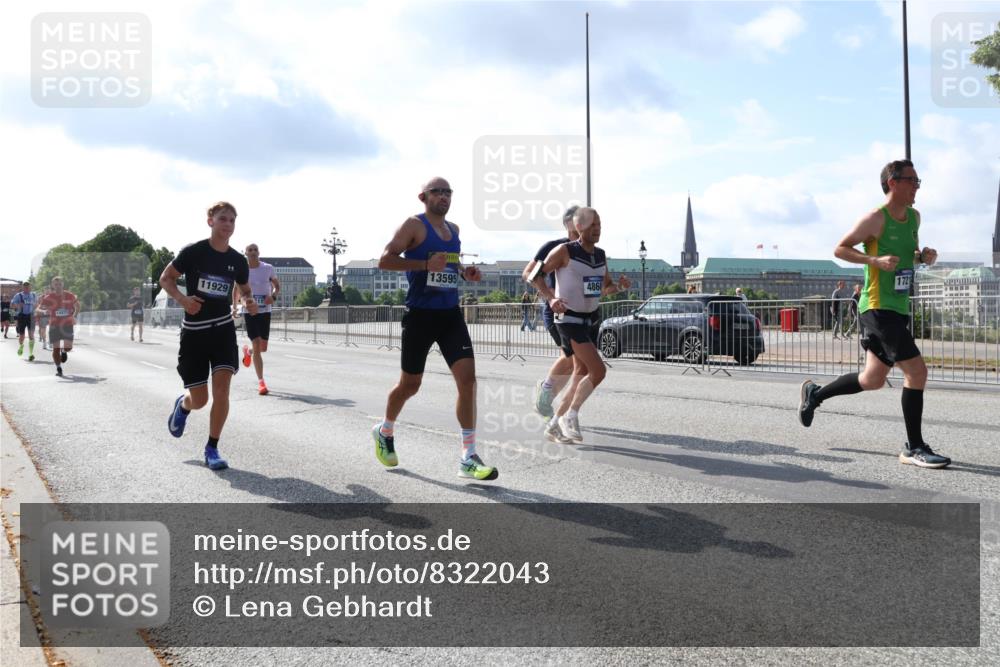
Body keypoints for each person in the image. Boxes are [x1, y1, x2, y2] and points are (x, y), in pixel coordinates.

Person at [798, 159, 949, 469]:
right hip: (878, 307)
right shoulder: (874, 219)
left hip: (898, 306)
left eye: (918, 182)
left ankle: (815, 394)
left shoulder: (914, 218)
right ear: (893, 182)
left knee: (872, 379)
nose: (917, 187)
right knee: (917, 372)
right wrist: (874, 260)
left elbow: (911, 254)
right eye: (912, 181)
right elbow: (840, 249)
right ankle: (914, 447)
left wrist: (924, 256)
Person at [371, 177, 497, 480]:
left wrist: (466, 273)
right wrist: (424, 266)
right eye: (437, 192)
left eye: (448, 192)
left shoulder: (454, 230)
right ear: (423, 197)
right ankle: (385, 430)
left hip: (450, 315)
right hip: (420, 316)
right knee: (410, 385)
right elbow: (385, 261)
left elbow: (448, 267)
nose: (444, 196)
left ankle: (468, 456)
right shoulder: (413, 226)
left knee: (468, 381)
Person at [161, 201, 258, 470]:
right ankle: (183, 406)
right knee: (200, 399)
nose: (228, 224)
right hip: (194, 334)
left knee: (223, 390)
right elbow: (165, 278)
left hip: (223, 330)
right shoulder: (193, 252)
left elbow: (245, 290)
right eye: (223, 219)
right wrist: (183, 299)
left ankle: (212, 448)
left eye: (232, 221)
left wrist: (250, 301)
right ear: (210, 221)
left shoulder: (237, 260)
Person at [533, 207, 631, 443]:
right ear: (579, 227)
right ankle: (570, 415)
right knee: (598, 370)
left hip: (590, 319)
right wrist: (551, 298)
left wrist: (619, 287)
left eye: (599, 225)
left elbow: (603, 287)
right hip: (569, 320)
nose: (597, 229)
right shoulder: (564, 251)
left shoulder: (600, 255)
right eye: (592, 225)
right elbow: (534, 274)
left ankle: (554, 424)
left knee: (581, 372)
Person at [523, 205, 584, 441]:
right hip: (555, 310)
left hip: (580, 313)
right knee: (571, 357)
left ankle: (551, 405)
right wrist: (550, 297)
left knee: (576, 364)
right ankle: (547, 398)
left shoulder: (589, 250)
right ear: (569, 223)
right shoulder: (554, 247)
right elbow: (528, 273)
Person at [236, 243, 280, 395]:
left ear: (259, 252)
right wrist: (236, 306)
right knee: (256, 344)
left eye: (255, 250)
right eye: (250, 250)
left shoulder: (267, 268)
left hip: (265, 311)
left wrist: (273, 296)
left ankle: (248, 353)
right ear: (246, 253)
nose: (253, 252)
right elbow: (237, 289)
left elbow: (277, 286)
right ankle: (261, 383)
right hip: (249, 311)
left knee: (262, 348)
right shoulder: (242, 270)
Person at [38, 277, 80, 377]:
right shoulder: (48, 297)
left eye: (60, 284)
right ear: (53, 285)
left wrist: (75, 316)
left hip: (67, 325)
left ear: (63, 284)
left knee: (68, 347)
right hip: (54, 325)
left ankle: (64, 351)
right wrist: (44, 311)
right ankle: (59, 368)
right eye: (56, 284)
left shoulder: (70, 295)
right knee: (55, 348)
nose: (58, 286)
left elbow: (77, 306)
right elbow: (37, 309)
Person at [10, 281, 38, 361]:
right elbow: (12, 305)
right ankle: (21, 346)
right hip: (22, 316)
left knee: (31, 335)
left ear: (30, 287)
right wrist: (18, 305)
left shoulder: (33, 295)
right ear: (23, 287)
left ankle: (31, 354)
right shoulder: (19, 295)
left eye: (28, 287)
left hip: (31, 316)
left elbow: (37, 304)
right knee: (22, 336)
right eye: (25, 287)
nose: (26, 288)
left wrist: (36, 309)